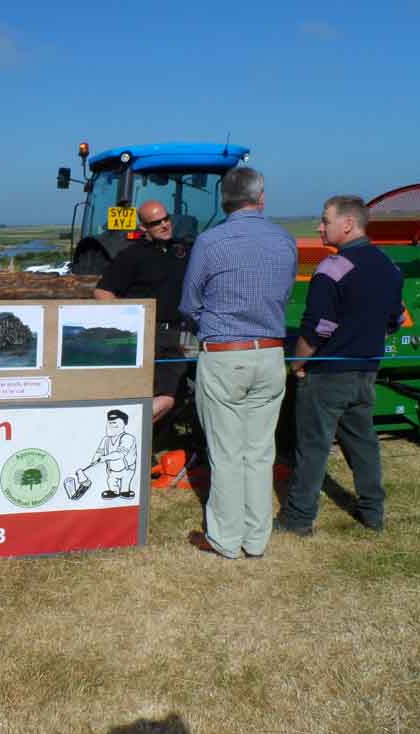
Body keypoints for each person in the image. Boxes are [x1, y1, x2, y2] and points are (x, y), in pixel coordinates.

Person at [178, 167, 297, 559]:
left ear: (223, 200)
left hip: (226, 355)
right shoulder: (285, 240)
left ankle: (225, 539)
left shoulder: (211, 242)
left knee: (227, 452)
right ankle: (256, 538)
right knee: (260, 451)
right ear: (261, 198)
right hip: (271, 352)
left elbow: (189, 304)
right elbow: (284, 294)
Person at [275, 196, 404, 535]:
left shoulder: (332, 268)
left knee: (313, 447)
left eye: (324, 220)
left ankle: (298, 519)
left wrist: (296, 363)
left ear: (347, 224)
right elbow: (396, 318)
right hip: (366, 372)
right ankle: (373, 513)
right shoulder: (390, 267)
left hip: (329, 374)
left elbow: (318, 327)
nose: (319, 226)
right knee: (363, 443)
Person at [94, 200, 194, 423]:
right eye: (157, 223)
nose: (165, 225)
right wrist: (129, 327)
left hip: (180, 333)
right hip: (150, 335)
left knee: (170, 394)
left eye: (166, 219)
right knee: (166, 398)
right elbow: (103, 293)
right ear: (143, 228)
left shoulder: (184, 251)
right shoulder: (131, 256)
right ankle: (125, 431)